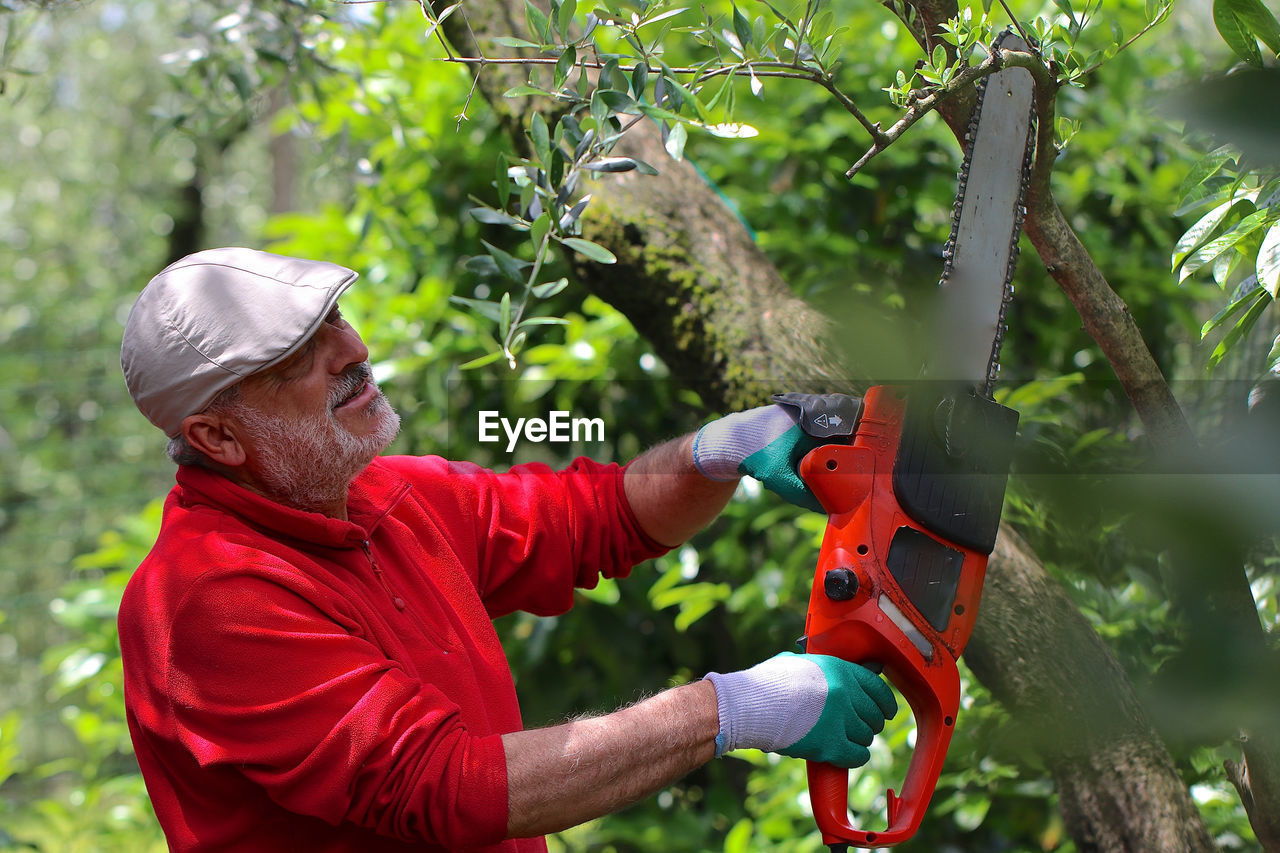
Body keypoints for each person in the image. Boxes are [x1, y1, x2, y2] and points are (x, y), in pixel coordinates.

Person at [117, 247, 896, 852]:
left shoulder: (391, 495)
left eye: (332, 319)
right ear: (218, 437)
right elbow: (446, 788)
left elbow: (597, 515)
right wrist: (740, 706)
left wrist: (720, 447)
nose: (349, 348)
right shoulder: (207, 598)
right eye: (295, 355)